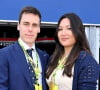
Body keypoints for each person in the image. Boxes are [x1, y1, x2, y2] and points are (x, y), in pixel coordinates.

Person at [46, 13, 100, 90]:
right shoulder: (53, 58)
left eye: (69, 28)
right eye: (60, 29)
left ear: (78, 32)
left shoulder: (86, 61)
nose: (63, 33)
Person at [0, 6, 49, 90]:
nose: (30, 29)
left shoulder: (44, 57)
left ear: (39, 29)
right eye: (26, 24)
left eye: (34, 25)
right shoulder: (4, 55)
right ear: (18, 26)